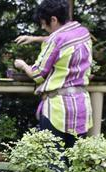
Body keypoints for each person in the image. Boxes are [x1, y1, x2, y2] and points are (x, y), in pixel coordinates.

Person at [13, 0, 93, 148]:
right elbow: (65, 39)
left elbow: (37, 74)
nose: (43, 27)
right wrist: (35, 38)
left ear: (54, 19)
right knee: (75, 162)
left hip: (58, 109)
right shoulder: (83, 32)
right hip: (81, 106)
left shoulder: (56, 40)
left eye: (44, 23)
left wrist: (23, 65)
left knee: (53, 163)